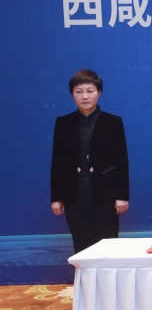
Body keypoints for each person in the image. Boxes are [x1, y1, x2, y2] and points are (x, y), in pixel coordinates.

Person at [50, 69, 129, 254]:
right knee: (81, 246)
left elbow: (122, 161)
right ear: (72, 94)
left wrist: (122, 195)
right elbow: (57, 161)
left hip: (105, 194)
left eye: (90, 91)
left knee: (107, 247)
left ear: (99, 92)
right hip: (74, 195)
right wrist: (56, 197)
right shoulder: (63, 123)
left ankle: (107, 276)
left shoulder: (113, 122)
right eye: (79, 92)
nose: (85, 96)